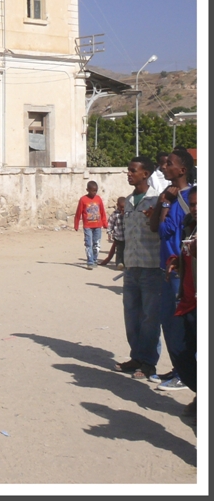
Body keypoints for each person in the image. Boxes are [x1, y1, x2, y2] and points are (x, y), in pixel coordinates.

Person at [146, 147, 194, 390]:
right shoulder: (169, 194)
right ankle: (181, 371)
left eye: (169, 164)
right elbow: (154, 226)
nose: (164, 167)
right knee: (169, 323)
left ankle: (185, 376)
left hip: (179, 270)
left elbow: (165, 230)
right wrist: (164, 201)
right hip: (167, 268)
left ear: (182, 170)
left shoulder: (188, 198)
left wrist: (167, 205)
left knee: (178, 327)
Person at [114, 156, 162, 381]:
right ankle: (136, 356)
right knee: (131, 316)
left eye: (133, 170)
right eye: (128, 170)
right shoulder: (130, 201)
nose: (129, 174)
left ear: (146, 174)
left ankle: (149, 363)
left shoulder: (157, 200)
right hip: (131, 267)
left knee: (150, 318)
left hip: (151, 267)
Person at [164, 185, 197, 423]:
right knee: (177, 348)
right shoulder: (190, 223)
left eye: (199, 205)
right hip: (187, 302)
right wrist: (178, 260)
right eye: (193, 204)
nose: (195, 209)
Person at [73, 181, 108, 270]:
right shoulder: (83, 199)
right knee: (88, 244)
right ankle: (90, 262)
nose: (94, 193)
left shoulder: (98, 199)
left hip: (98, 226)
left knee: (96, 244)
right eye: (92, 191)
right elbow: (78, 213)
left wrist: (105, 223)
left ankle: (95, 259)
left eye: (95, 191)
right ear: (87, 190)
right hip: (87, 226)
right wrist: (76, 224)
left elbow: (102, 212)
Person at [99, 197, 127, 268]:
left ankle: (126, 263)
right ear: (117, 205)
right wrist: (109, 232)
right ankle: (119, 263)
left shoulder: (128, 214)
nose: (122, 209)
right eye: (121, 207)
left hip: (127, 237)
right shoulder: (115, 214)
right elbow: (110, 224)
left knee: (126, 251)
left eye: (124, 207)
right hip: (118, 237)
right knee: (119, 251)